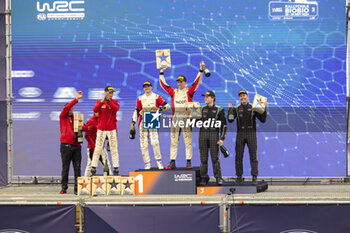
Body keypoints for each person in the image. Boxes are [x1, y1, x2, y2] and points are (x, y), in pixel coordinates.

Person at [159, 61, 205, 169]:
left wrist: (201, 70)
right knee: (173, 141)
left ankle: (188, 162)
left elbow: (196, 82)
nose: (179, 83)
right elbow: (163, 85)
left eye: (181, 82)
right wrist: (161, 73)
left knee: (188, 141)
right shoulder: (173, 92)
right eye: (178, 82)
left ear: (185, 82)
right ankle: (172, 162)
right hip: (175, 119)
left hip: (186, 118)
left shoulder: (189, 91)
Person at [228, 90, 267, 185]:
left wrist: (264, 108)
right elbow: (230, 120)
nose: (242, 97)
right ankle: (239, 177)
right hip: (240, 134)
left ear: (247, 97)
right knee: (238, 157)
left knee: (253, 156)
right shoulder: (236, 108)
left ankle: (254, 177)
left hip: (251, 134)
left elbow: (263, 120)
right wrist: (230, 110)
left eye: (244, 95)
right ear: (239, 98)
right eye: (240, 96)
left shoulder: (253, 107)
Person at [131, 81, 170, 170]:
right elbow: (136, 111)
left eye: (148, 86)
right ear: (143, 88)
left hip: (153, 119)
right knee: (144, 144)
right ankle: (147, 163)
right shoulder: (140, 98)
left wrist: (159, 108)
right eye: (145, 87)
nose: (147, 88)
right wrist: (133, 122)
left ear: (151, 87)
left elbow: (168, 107)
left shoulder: (156, 96)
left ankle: (159, 162)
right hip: (142, 121)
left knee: (155, 142)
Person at [195, 91, 227, 185]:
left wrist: (222, 139)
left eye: (207, 97)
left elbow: (224, 126)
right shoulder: (201, 109)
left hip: (214, 134)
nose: (205, 98)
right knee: (203, 158)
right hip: (203, 135)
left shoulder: (219, 110)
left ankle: (218, 178)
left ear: (213, 98)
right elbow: (194, 120)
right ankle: (203, 178)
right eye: (204, 97)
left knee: (215, 158)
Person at [90, 86, 120, 176]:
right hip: (101, 129)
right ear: (105, 92)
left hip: (112, 130)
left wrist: (109, 101)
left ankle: (116, 168)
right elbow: (95, 109)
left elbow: (115, 109)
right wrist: (103, 100)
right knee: (98, 149)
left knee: (114, 149)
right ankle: (93, 168)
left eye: (112, 93)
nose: (111, 94)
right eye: (109, 92)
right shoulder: (99, 102)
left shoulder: (115, 102)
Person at [59, 91, 83, 194]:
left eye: (72, 109)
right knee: (66, 167)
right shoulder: (62, 117)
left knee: (77, 168)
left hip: (76, 145)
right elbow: (66, 108)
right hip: (66, 145)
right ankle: (64, 188)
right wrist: (76, 99)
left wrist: (84, 127)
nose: (71, 110)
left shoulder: (76, 118)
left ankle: (77, 189)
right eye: (70, 108)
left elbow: (84, 126)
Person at [83, 112, 112, 177]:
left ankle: (110, 182)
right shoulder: (91, 121)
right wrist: (94, 146)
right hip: (92, 147)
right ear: (95, 112)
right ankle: (85, 182)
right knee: (91, 164)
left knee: (106, 164)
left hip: (101, 147)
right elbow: (87, 136)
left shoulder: (102, 121)